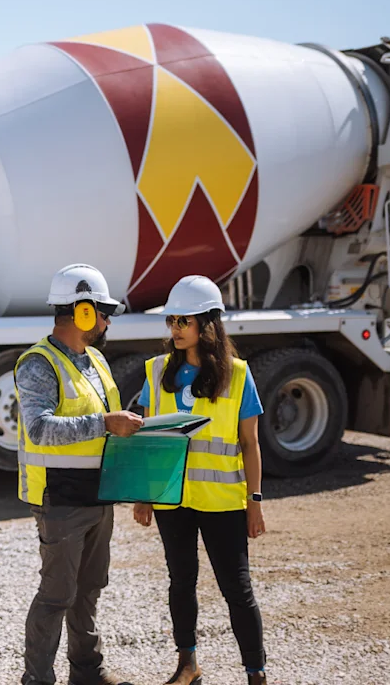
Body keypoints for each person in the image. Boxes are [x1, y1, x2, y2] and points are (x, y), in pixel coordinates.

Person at [131, 275, 268, 685]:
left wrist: (255, 501)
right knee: (181, 581)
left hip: (223, 502)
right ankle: (187, 665)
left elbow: (250, 444)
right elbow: (143, 438)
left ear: (206, 325)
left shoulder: (239, 375)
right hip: (172, 499)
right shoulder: (156, 372)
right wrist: (142, 496)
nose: (173, 329)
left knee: (237, 590)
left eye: (182, 321)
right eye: (170, 321)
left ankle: (256, 673)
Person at [14, 263, 142, 685]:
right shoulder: (38, 364)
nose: (107, 322)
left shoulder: (96, 361)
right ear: (83, 311)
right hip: (61, 500)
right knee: (56, 596)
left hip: (98, 495)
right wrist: (106, 423)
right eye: (103, 312)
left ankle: (88, 674)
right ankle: (38, 681)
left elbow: (106, 424)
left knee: (88, 591)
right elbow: (39, 429)